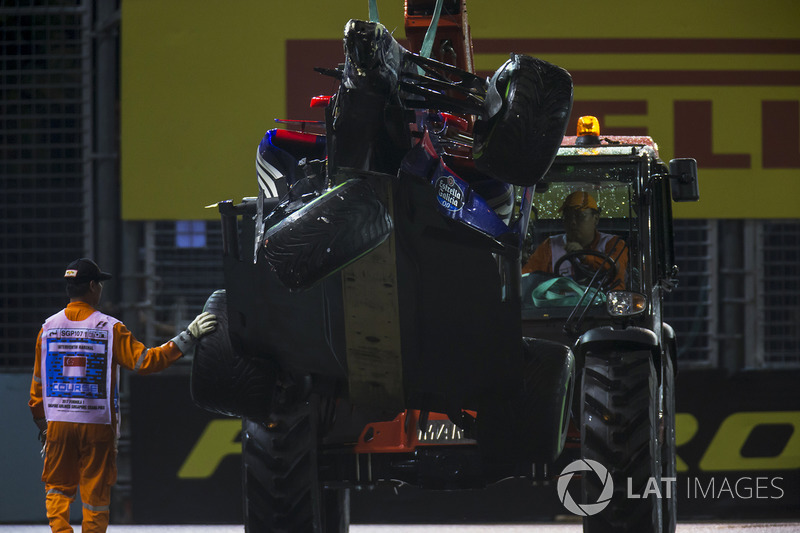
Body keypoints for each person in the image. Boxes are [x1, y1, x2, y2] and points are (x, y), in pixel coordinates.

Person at [28, 258, 217, 533]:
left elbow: (37, 387)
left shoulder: (47, 329)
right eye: (100, 284)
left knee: (57, 489)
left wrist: (43, 425)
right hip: (97, 426)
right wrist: (189, 336)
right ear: (93, 286)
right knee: (95, 499)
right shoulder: (110, 328)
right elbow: (147, 362)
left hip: (58, 424)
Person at [523, 191, 628, 289]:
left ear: (596, 218)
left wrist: (585, 257)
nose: (573, 222)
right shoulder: (550, 246)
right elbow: (527, 279)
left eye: (580, 216)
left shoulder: (613, 243)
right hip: (561, 307)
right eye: (568, 216)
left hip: (604, 307)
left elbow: (615, 266)